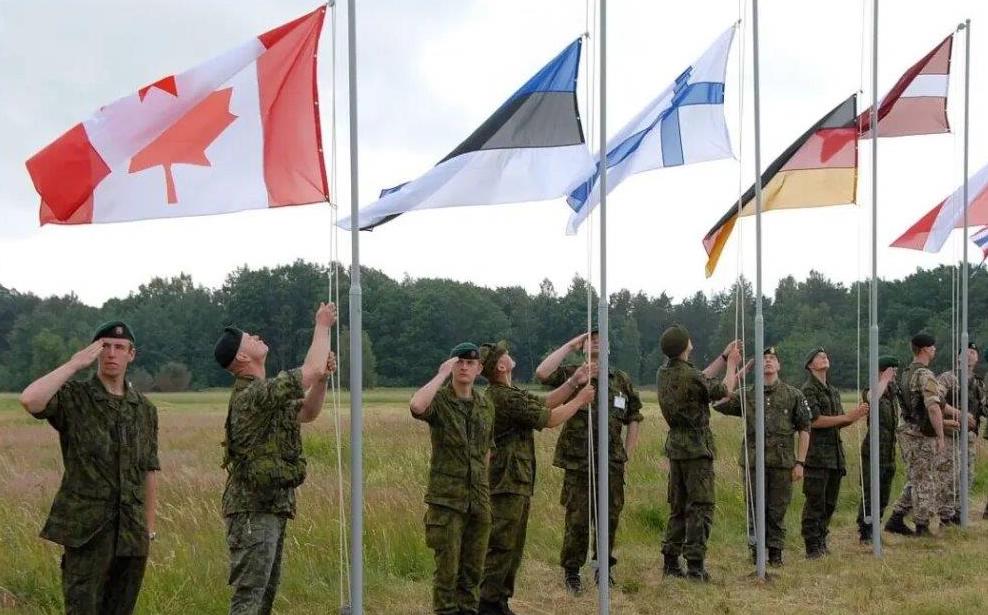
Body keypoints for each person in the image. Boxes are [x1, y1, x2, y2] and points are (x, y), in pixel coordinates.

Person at [19, 321, 160, 615]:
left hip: (131, 535)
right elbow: (31, 400)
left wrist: (148, 529)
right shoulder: (75, 398)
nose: (111, 353)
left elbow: (149, 470)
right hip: (87, 531)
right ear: (94, 353)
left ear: (131, 354)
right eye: (104, 346)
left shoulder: (144, 409)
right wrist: (73, 364)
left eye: (119, 347)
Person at [214, 303, 337, 615]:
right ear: (242, 357)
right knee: (249, 600)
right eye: (249, 339)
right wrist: (322, 326)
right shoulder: (252, 396)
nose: (256, 336)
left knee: (263, 599)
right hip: (252, 510)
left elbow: (307, 412)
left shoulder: (265, 395)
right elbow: (306, 372)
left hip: (271, 506)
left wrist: (321, 380)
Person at [477, 340, 594, 615]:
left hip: (516, 479)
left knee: (513, 545)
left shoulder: (508, 392)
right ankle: (487, 603)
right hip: (506, 481)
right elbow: (550, 418)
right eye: (505, 353)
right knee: (502, 545)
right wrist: (579, 400)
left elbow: (542, 402)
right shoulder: (502, 397)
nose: (510, 354)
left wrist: (575, 381)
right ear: (501, 365)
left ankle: (500, 600)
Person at [535, 329, 643, 594]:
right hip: (579, 461)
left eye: (600, 338)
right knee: (578, 518)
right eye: (590, 338)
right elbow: (543, 373)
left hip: (612, 461)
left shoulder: (620, 380)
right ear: (583, 347)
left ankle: (603, 567)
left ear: (608, 346)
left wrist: (626, 453)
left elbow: (634, 417)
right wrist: (571, 344)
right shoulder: (573, 375)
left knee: (609, 516)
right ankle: (572, 572)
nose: (596, 341)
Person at [410, 342, 495, 615]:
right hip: (447, 502)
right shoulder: (441, 401)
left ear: (479, 368)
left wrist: (482, 484)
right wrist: (440, 375)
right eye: (459, 362)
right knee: (447, 573)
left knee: (472, 573)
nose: (464, 367)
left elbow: (486, 450)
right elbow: (416, 406)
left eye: (471, 363)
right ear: (451, 366)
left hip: (478, 501)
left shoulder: (485, 405)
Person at [655, 325, 743, 580]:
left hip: (677, 448)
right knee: (700, 506)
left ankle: (671, 561)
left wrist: (724, 356)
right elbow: (723, 390)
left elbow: (700, 377)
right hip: (696, 448)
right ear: (685, 346)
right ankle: (695, 566)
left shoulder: (665, 373)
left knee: (679, 505)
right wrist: (732, 365)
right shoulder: (690, 376)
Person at [714, 345, 811, 568]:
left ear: (778, 365)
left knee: (777, 509)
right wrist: (741, 373)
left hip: (782, 462)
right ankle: (756, 551)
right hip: (753, 462)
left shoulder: (793, 395)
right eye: (763, 358)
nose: (768, 361)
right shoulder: (747, 394)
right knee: (754, 509)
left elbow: (805, 428)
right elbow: (718, 402)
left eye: (772, 358)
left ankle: (775, 554)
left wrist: (800, 462)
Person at [800, 347, 869, 558]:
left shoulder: (832, 390)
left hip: (834, 456)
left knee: (829, 503)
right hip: (817, 457)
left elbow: (838, 422)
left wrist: (853, 417)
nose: (824, 358)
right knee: (815, 502)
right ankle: (812, 545)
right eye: (819, 357)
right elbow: (815, 420)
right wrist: (849, 417)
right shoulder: (808, 390)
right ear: (810, 365)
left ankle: (821, 540)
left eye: (826, 356)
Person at [886, 334, 951, 537]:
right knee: (925, 479)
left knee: (916, 476)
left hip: (907, 430)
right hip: (919, 433)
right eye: (932, 347)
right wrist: (941, 435)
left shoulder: (906, 373)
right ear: (924, 349)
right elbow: (933, 407)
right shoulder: (925, 374)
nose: (934, 350)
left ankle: (896, 517)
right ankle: (922, 526)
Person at [937, 343, 985, 525]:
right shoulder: (948, 377)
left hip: (969, 436)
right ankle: (945, 516)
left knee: (967, 475)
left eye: (973, 352)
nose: (969, 355)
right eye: (965, 352)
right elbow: (936, 400)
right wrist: (958, 414)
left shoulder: (978, 382)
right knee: (950, 475)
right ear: (958, 358)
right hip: (951, 433)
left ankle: (959, 513)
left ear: (977, 358)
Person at [856, 357, 902, 543]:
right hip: (873, 451)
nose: (894, 376)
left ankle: (876, 526)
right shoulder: (872, 388)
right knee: (871, 493)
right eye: (891, 371)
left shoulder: (892, 393)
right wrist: (883, 379)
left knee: (883, 494)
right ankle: (866, 530)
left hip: (888, 451)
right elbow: (872, 400)